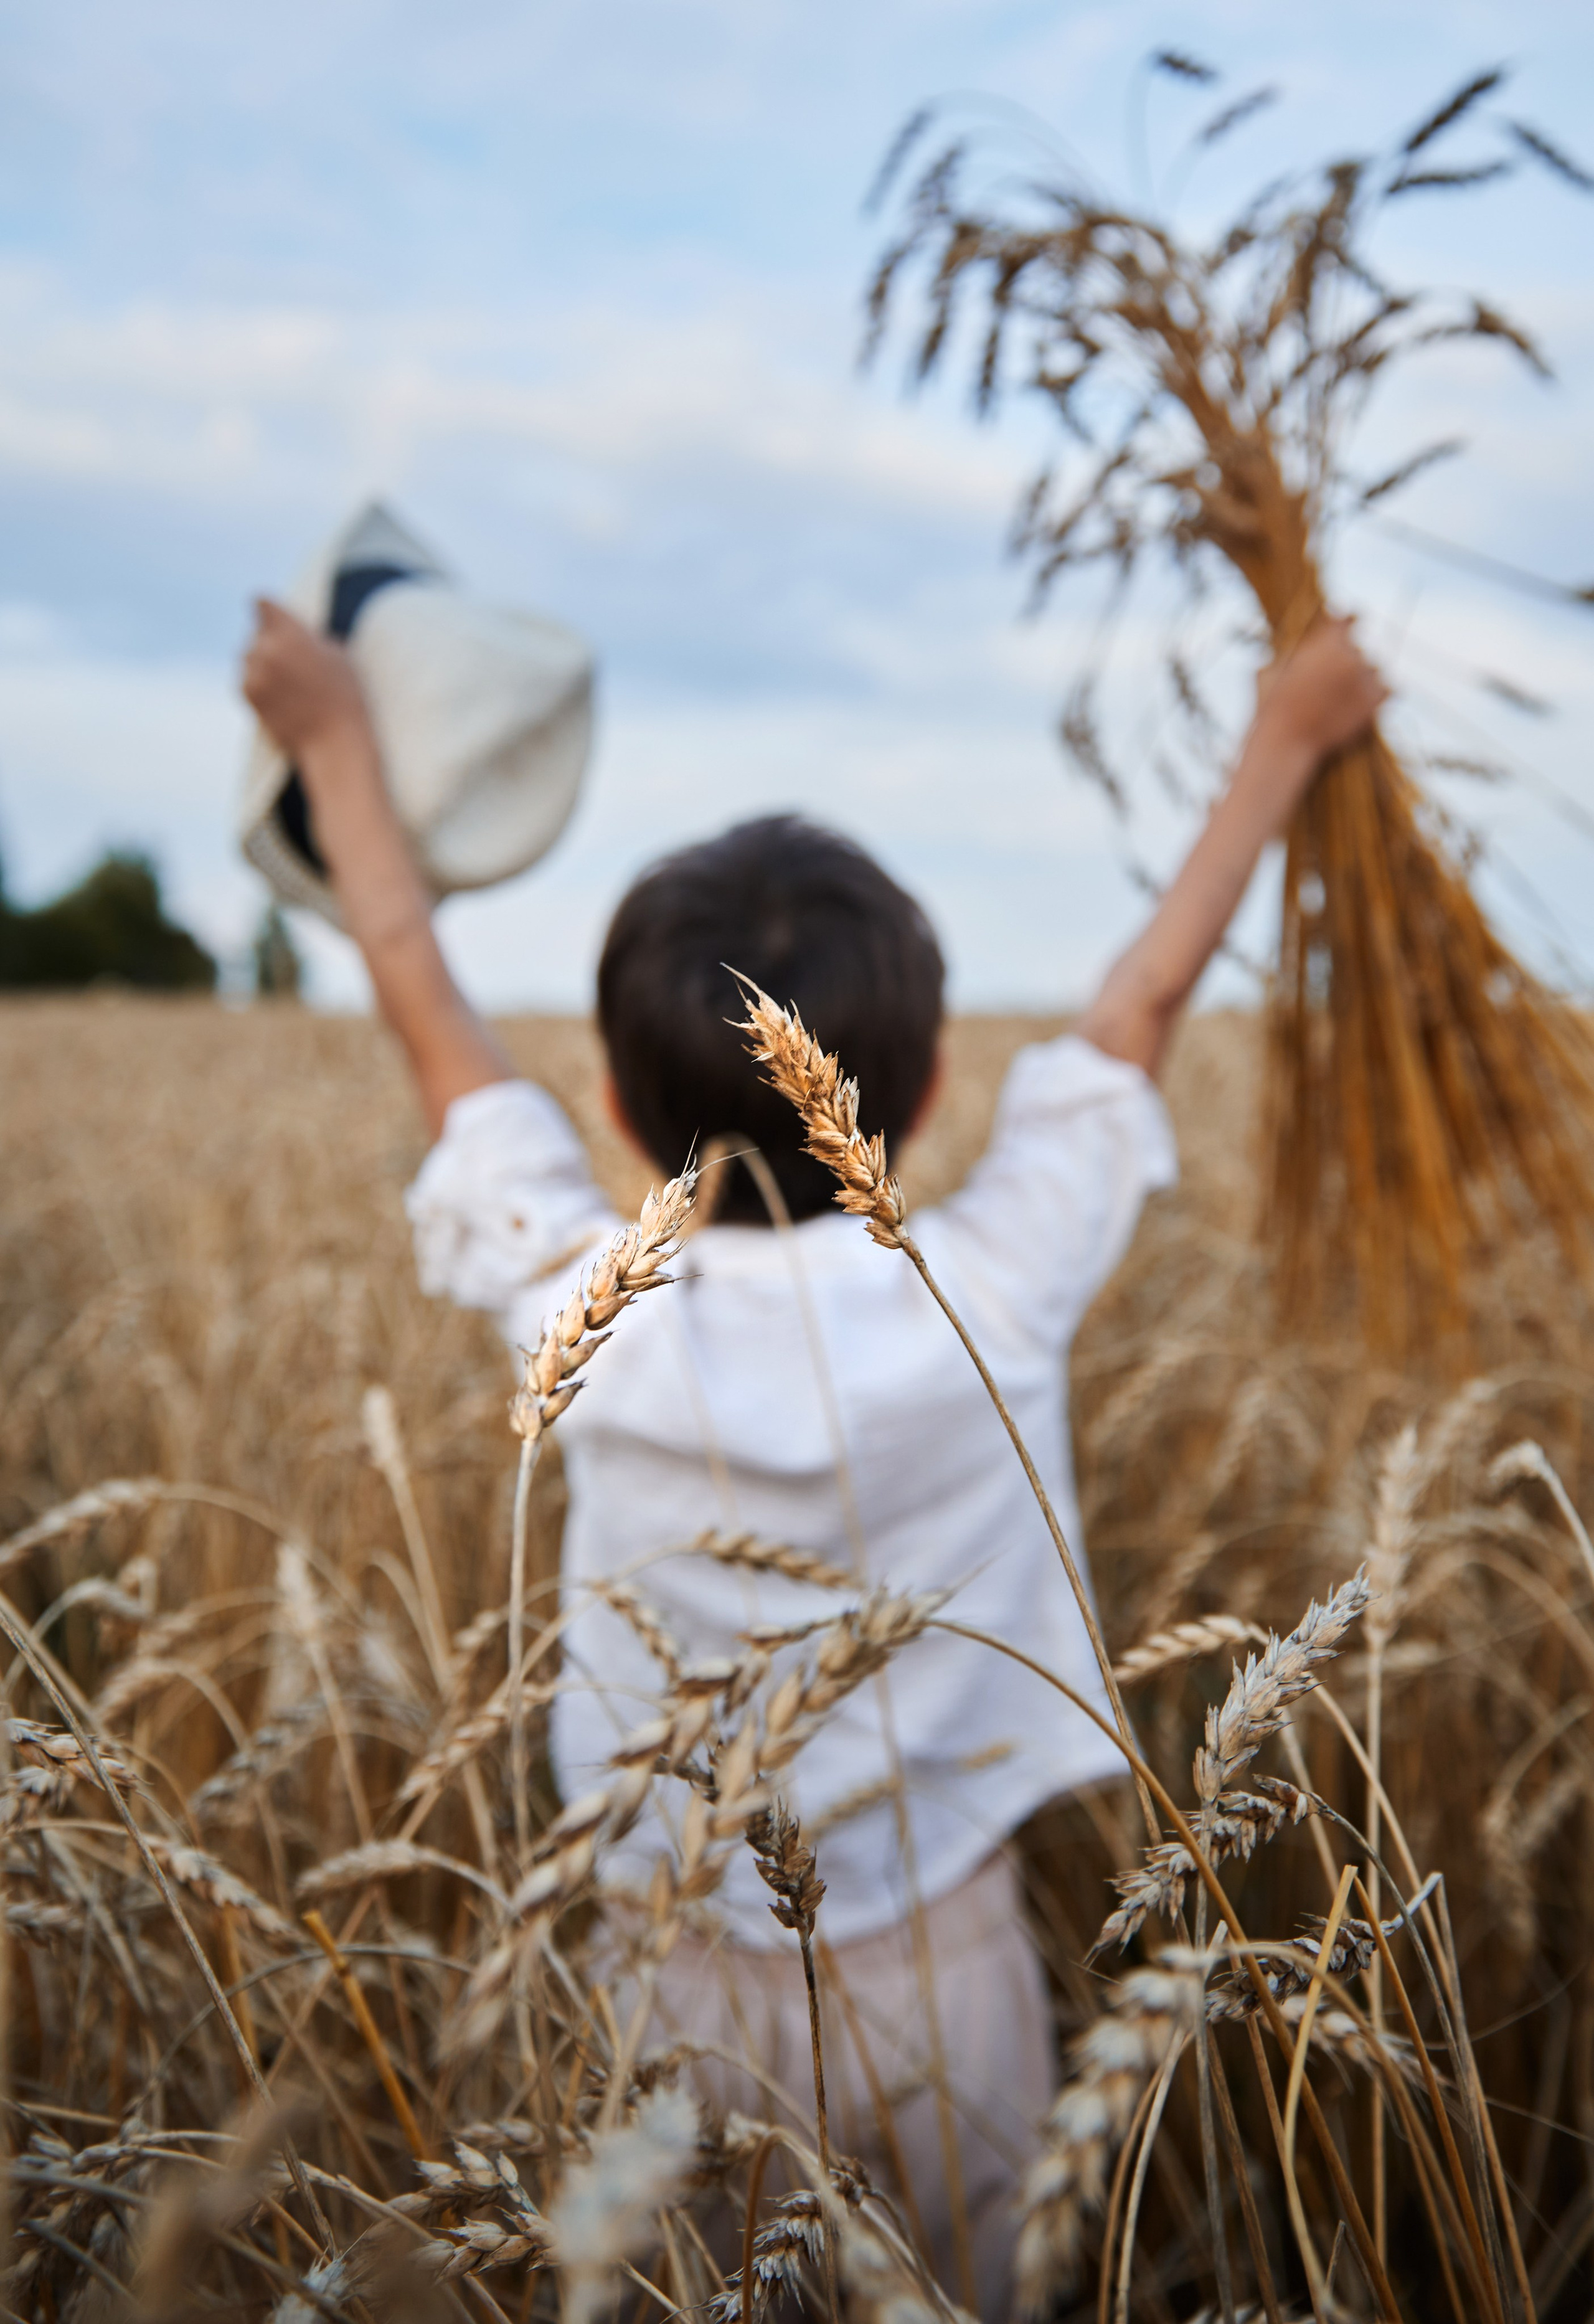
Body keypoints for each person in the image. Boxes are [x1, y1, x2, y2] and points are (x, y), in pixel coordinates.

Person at [242, 600, 1385, 2316]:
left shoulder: (589, 1311)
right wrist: (1286, 744)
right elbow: (1143, 1002)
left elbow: (422, 997)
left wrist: (336, 743)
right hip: (945, 1974)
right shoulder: (989, 1292)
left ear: (619, 1121)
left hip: (664, 1961)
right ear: (914, 1107)